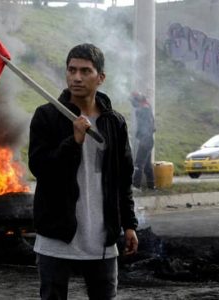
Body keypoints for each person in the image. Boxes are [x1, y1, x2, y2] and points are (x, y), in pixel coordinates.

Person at [28, 44, 139, 300]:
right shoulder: (47, 116)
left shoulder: (114, 122)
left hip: (101, 237)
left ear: (100, 77)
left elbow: (123, 179)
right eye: (72, 70)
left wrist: (129, 225)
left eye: (85, 71)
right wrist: (73, 141)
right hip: (57, 236)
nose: (77, 77)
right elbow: (40, 168)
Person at [130, 92, 156, 190]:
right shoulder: (146, 107)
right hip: (148, 140)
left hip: (146, 140)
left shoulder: (143, 110)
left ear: (138, 100)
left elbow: (147, 127)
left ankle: (136, 186)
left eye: (133, 100)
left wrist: (142, 138)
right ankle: (151, 186)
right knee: (147, 165)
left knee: (138, 164)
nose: (132, 103)